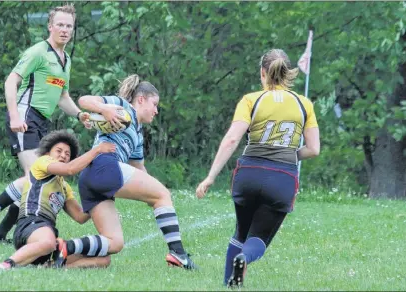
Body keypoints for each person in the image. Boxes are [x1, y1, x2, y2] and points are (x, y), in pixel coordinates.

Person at [196, 49, 320, 287]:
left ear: (263, 72)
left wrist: (211, 177)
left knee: (241, 232)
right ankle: (245, 258)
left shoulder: (251, 99)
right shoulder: (304, 104)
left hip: (249, 173)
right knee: (259, 238)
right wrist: (289, 154)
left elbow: (232, 139)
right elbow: (313, 149)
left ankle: (229, 285)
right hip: (283, 177)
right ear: (288, 74)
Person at [49, 74, 197, 270]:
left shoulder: (138, 134)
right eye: (154, 104)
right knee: (162, 194)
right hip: (104, 165)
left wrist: (153, 195)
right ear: (141, 99)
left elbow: (139, 170)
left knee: (115, 242)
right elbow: (84, 100)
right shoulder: (122, 107)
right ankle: (178, 253)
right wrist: (104, 109)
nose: (156, 110)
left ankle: (65, 247)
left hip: (91, 177)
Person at [0, 4, 91, 244]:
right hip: (25, 116)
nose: (65, 29)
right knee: (34, 176)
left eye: (69, 26)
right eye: (60, 24)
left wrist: (80, 115)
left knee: (35, 180)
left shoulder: (65, 60)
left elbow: (62, 97)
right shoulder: (38, 52)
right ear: (50, 26)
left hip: (41, 122)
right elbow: (10, 82)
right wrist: (15, 116)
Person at [0, 130, 116, 269]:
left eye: (67, 154)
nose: (63, 155)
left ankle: (52, 266)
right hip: (30, 225)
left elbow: (80, 216)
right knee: (48, 242)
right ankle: (8, 263)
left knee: (103, 259)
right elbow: (70, 169)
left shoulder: (64, 186)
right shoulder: (42, 162)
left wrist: (102, 195)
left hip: (48, 236)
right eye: (59, 151)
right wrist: (97, 150)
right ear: (47, 153)